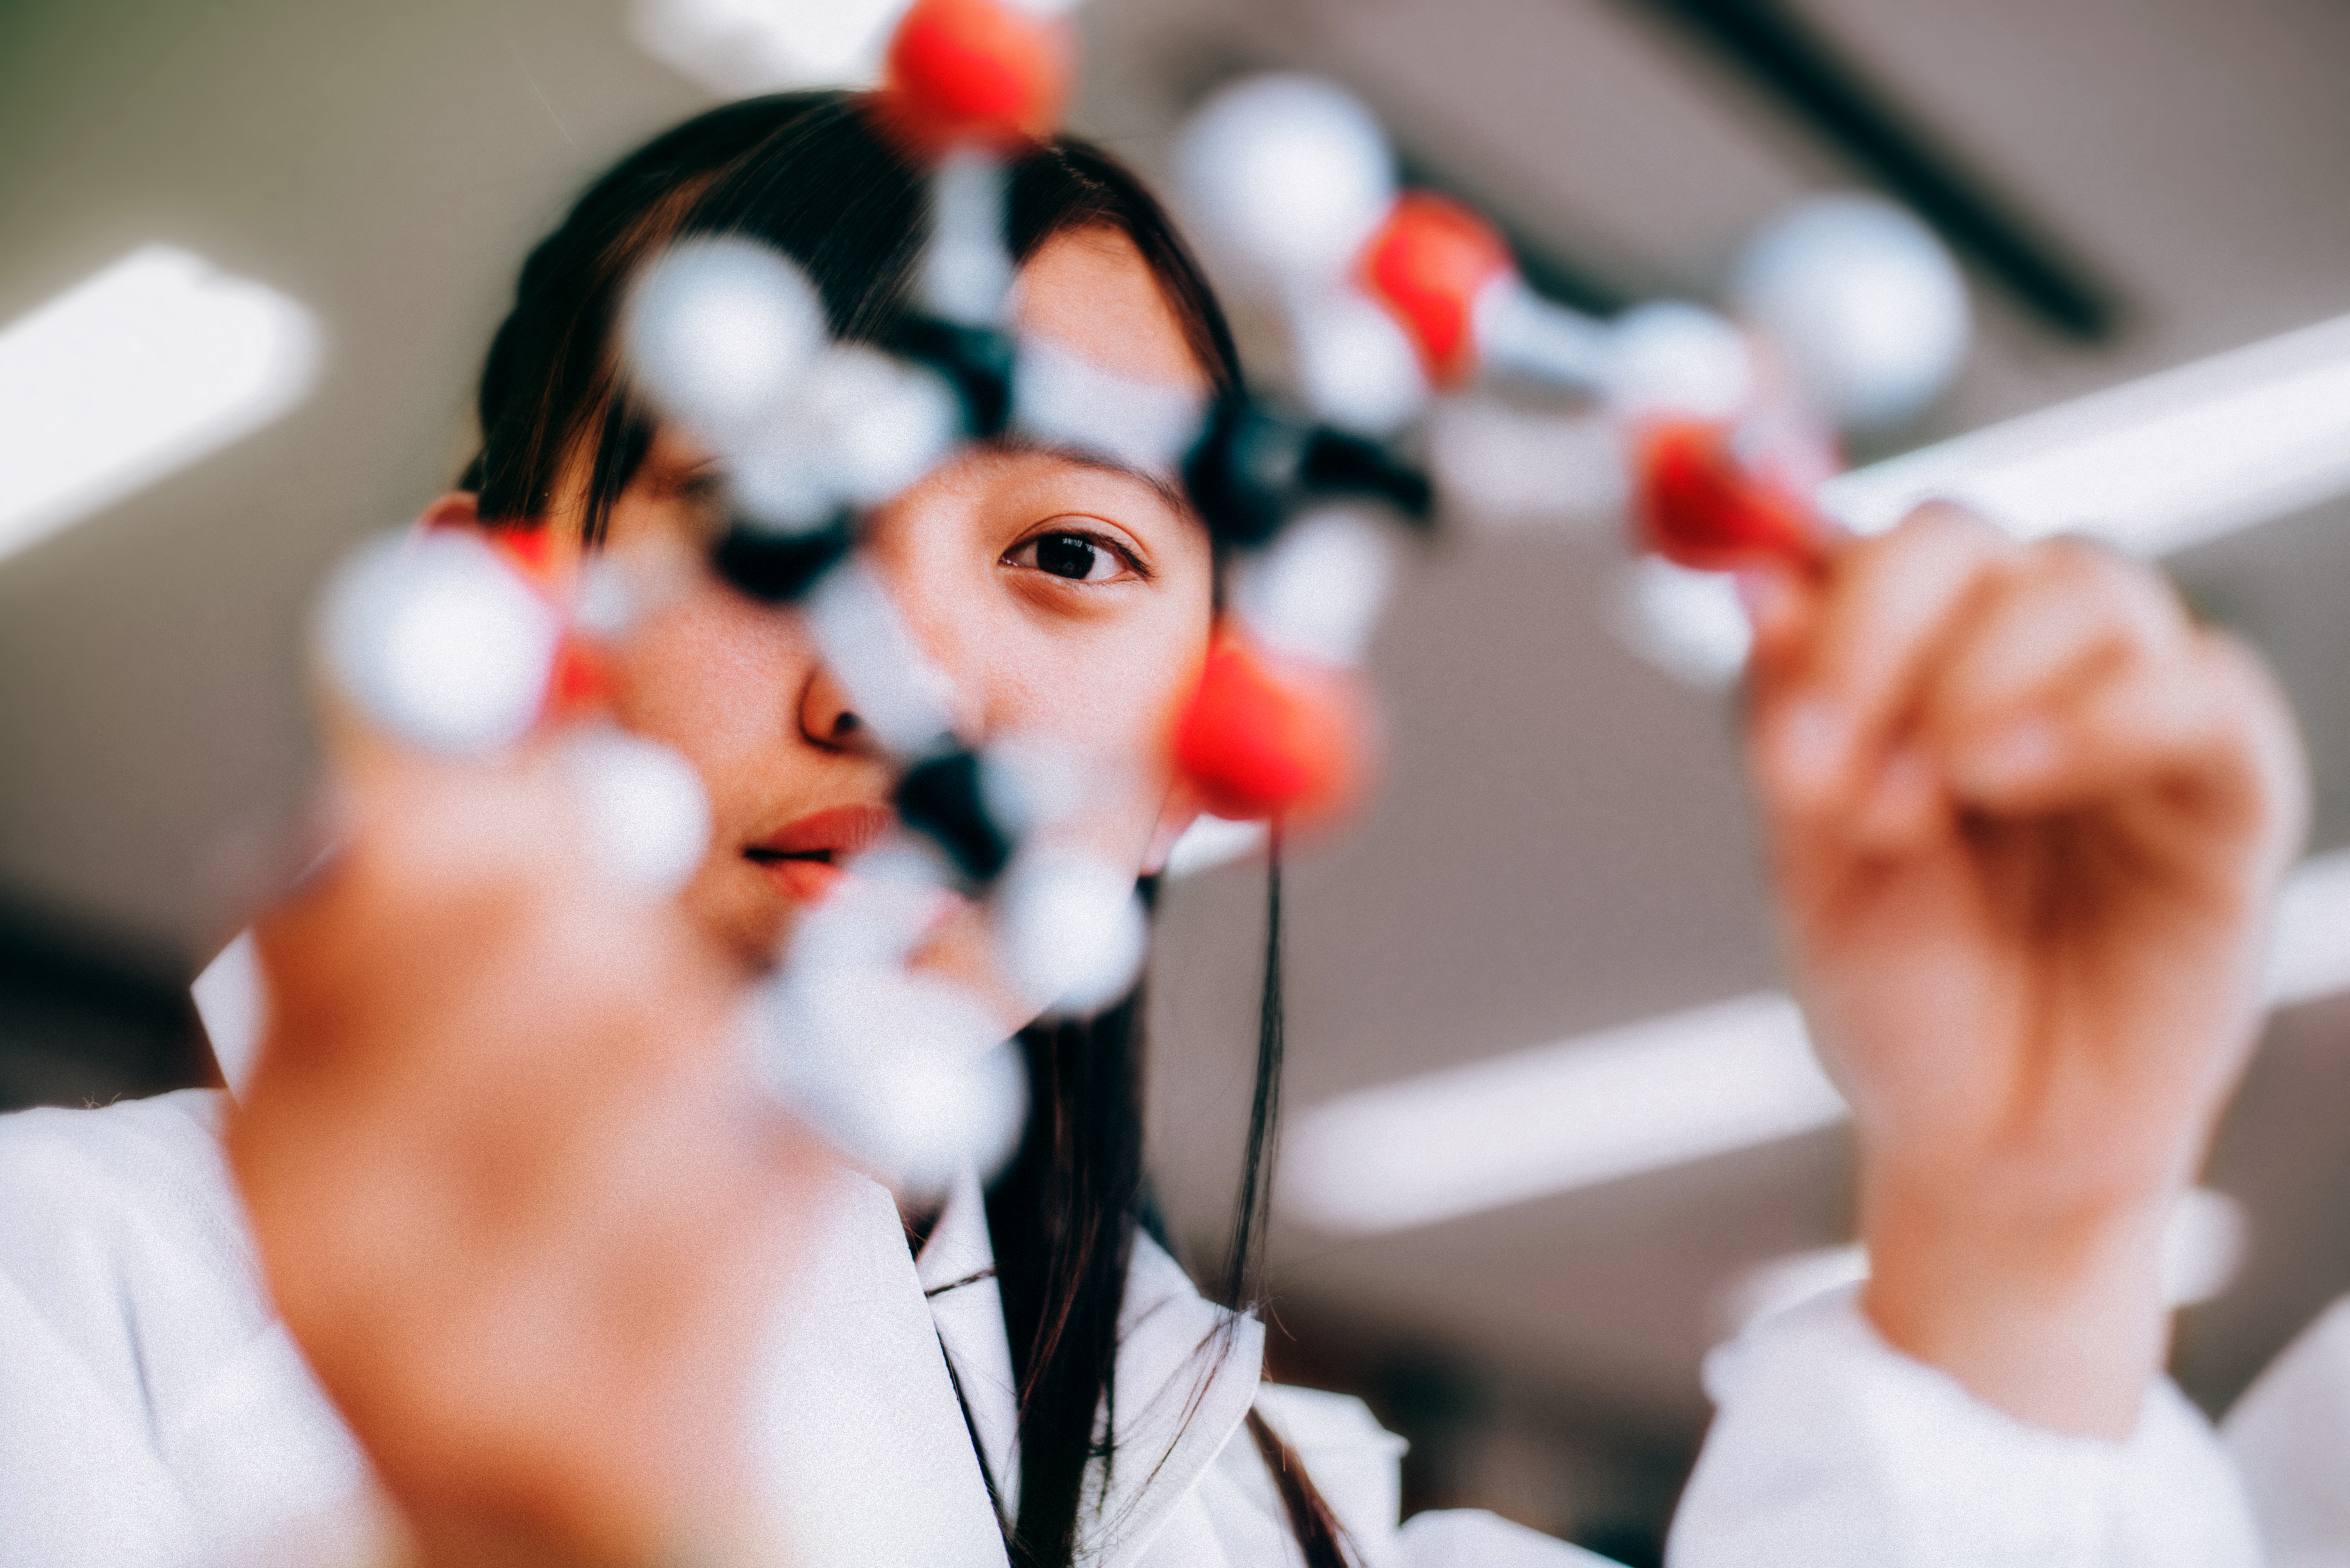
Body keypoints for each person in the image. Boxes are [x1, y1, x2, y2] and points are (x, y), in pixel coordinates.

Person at [0, 91, 2308, 1568]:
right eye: (754, 514)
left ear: (1217, 741)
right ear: (486, 620)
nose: (890, 689)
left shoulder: (1287, 1514)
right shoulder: (61, 1301)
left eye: (1070, 556)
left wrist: (2027, 1238)